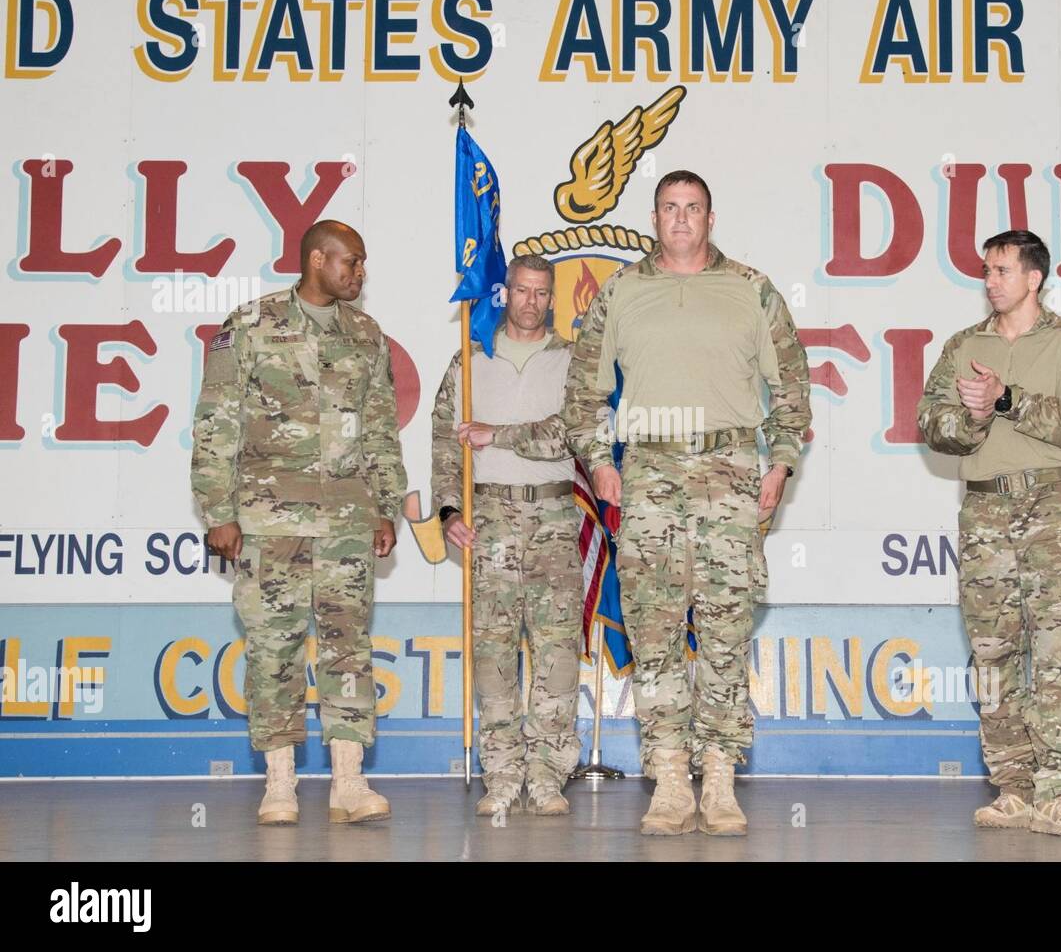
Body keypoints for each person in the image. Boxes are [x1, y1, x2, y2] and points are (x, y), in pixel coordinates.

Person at [564, 170, 811, 836]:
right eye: (670, 208)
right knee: (655, 631)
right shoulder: (622, 290)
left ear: (710, 217)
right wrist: (599, 462)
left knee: (727, 631)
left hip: (730, 472)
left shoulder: (751, 289)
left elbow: (790, 383)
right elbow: (584, 389)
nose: (681, 219)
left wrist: (781, 460)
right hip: (648, 472)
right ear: (654, 217)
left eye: (693, 208)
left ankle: (721, 777)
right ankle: (670, 779)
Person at [192, 220, 407, 825]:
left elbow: (380, 430)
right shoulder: (251, 326)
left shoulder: (366, 336)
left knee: (348, 648)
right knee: (273, 649)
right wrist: (218, 511)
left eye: (362, 264)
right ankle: (280, 785)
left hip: (346, 520)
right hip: (268, 519)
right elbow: (216, 421)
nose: (359, 273)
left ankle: (348, 783)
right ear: (317, 260)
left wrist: (385, 506)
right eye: (352, 263)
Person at [917, 229, 1061, 837]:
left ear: (1034, 278)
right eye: (986, 270)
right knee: (993, 653)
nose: (990, 281)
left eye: (1002, 270)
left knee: (1057, 651)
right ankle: (1012, 787)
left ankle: (1057, 791)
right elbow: (931, 424)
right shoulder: (962, 346)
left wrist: (1006, 400)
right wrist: (970, 418)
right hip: (984, 514)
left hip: (1052, 508)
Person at [431, 254, 584, 818]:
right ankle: (502, 773)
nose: (530, 302)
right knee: (493, 652)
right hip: (489, 518)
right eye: (521, 291)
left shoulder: (572, 361)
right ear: (505, 294)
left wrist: (502, 435)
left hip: (552, 519)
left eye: (542, 293)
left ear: (552, 298)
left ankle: (547, 776)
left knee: (557, 653)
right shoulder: (470, 361)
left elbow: (575, 434)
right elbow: (446, 441)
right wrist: (449, 510)